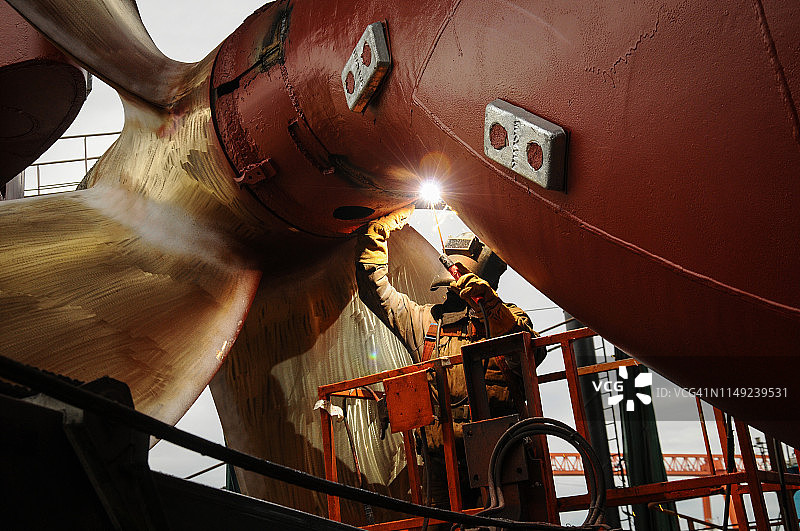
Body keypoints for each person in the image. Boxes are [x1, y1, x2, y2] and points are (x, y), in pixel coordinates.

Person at [355, 205, 546, 509]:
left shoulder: (508, 318)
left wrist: (491, 308)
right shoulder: (426, 324)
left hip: (500, 461)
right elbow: (375, 289)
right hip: (440, 462)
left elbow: (528, 352)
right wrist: (377, 234)